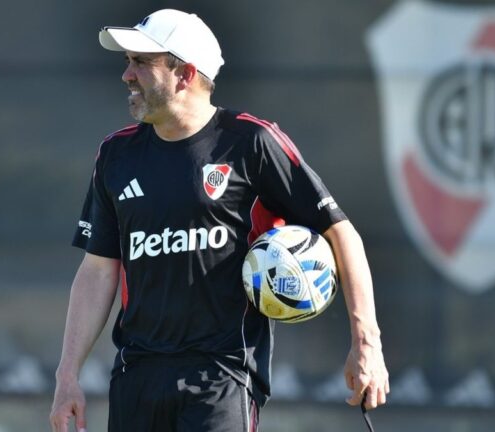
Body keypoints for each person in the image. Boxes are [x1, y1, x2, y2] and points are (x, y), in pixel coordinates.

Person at [49, 8, 389, 432]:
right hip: (136, 376)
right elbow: (98, 270)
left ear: (186, 74)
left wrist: (366, 343)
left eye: (141, 63)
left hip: (222, 376)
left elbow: (341, 233)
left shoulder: (250, 142)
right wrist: (67, 375)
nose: (127, 75)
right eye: (127, 62)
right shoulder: (115, 155)